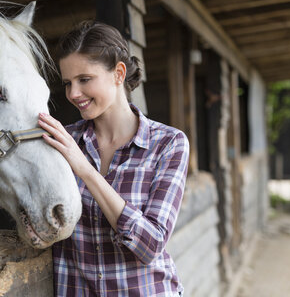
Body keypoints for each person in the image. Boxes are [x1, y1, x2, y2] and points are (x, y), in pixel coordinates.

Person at [37, 21, 190, 296]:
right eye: (68, 83)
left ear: (119, 73)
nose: (73, 94)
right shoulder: (60, 141)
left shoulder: (168, 143)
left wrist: (85, 170)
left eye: (84, 79)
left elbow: (150, 244)